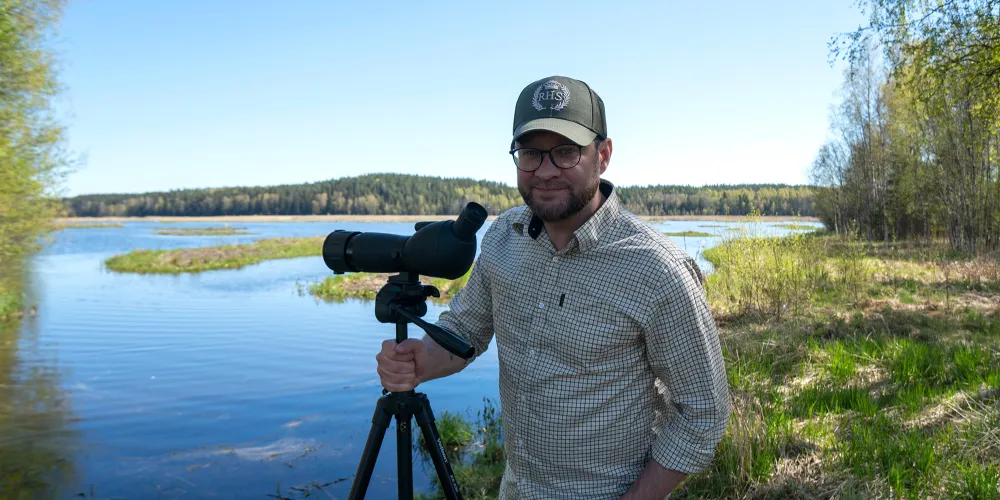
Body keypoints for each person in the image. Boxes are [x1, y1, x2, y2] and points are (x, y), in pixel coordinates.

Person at [375, 75, 730, 499]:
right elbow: (466, 331)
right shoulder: (504, 236)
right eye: (530, 153)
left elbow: (703, 413)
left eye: (565, 152)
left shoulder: (657, 270)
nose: (545, 171)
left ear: (603, 155)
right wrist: (420, 361)